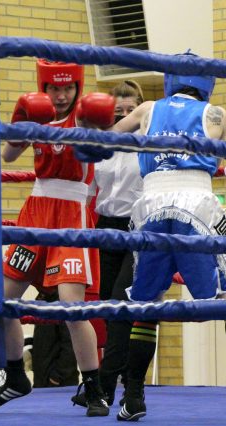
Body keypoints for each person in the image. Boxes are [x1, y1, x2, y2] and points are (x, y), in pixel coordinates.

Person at [109, 55, 226, 421]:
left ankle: (133, 396)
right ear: (207, 83)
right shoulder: (215, 114)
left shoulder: (148, 108)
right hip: (195, 202)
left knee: (146, 306)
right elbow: (212, 152)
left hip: (149, 206)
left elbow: (107, 138)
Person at [0, 59, 116, 417]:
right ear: (44, 88)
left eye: (67, 88)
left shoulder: (85, 117)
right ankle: (14, 377)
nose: (60, 95)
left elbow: (99, 149)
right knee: (3, 301)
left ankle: (93, 388)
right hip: (36, 215)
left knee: (72, 306)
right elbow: (8, 154)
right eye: (54, 89)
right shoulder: (37, 116)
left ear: (77, 88)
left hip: (71, 215)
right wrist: (22, 119)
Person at [72, 80, 145, 408]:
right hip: (104, 229)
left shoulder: (150, 144)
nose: (126, 116)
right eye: (120, 112)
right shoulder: (99, 147)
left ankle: (104, 385)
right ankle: (126, 385)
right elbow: (85, 193)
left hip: (139, 230)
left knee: (119, 306)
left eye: (132, 110)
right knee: (108, 305)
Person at [31, 291, 80, 388]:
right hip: (42, 378)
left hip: (60, 382)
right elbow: (45, 339)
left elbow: (70, 344)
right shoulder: (43, 300)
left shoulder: (62, 302)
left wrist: (58, 376)